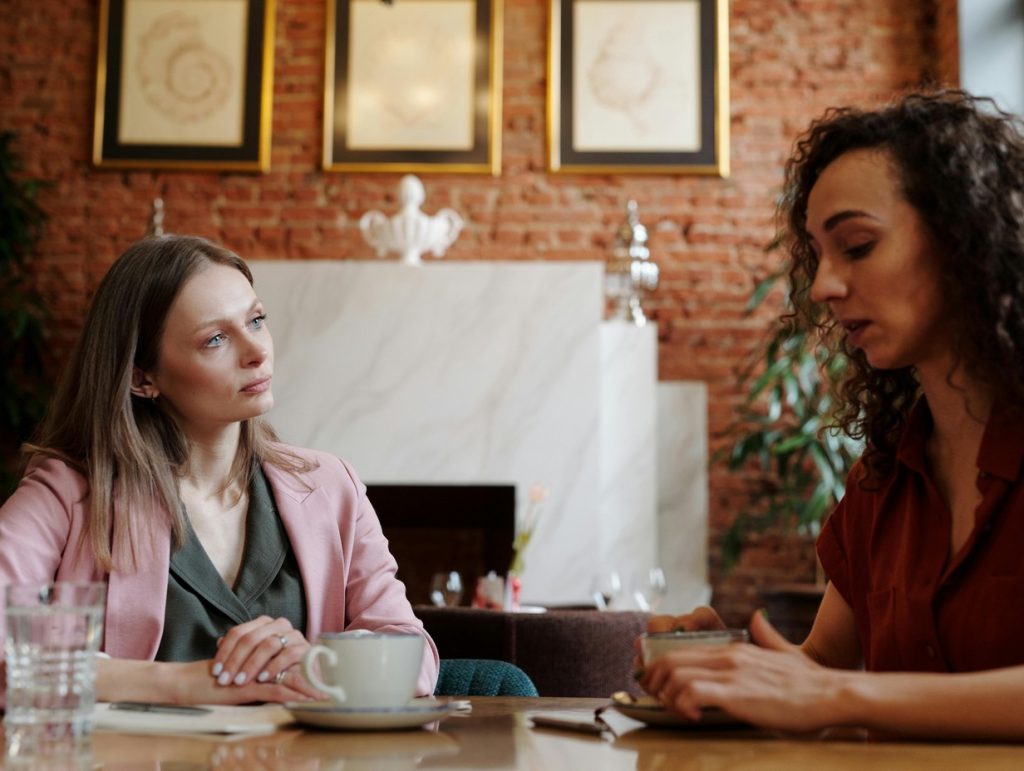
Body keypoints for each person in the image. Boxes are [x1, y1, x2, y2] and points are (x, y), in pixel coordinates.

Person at [639, 90, 1024, 740]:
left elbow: (837, 690)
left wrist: (842, 693)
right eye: (817, 254)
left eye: (857, 245)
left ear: (965, 236)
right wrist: (731, 667)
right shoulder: (882, 477)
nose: (822, 286)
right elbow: (821, 669)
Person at [0, 235, 439, 704]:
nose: (257, 351)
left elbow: (413, 655)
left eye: (256, 320)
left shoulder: (331, 486)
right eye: (215, 339)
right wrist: (184, 683)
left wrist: (315, 665)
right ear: (140, 377)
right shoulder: (67, 494)